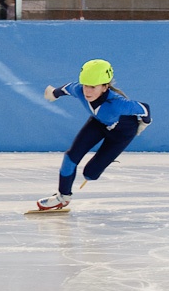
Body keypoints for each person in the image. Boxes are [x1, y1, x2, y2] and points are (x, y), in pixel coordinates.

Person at [36, 59, 151, 212]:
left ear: (105, 87)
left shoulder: (118, 104)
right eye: (85, 85)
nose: (87, 91)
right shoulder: (79, 90)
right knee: (70, 157)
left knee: (90, 174)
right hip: (98, 123)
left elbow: (145, 108)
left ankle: (104, 161)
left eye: (92, 87)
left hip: (122, 133)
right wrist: (54, 94)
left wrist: (144, 123)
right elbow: (65, 89)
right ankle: (62, 197)